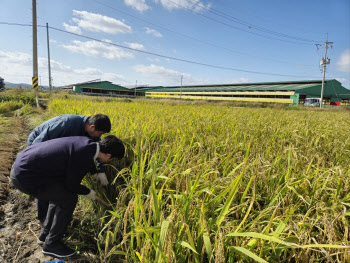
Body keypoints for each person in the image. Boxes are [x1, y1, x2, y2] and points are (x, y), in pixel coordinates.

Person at [10, 135, 125, 258]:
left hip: (23, 166)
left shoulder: (87, 143)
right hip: (26, 176)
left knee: (59, 195)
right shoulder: (83, 155)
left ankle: (46, 235)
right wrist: (89, 192)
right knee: (68, 198)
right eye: (110, 159)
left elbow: (84, 159)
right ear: (108, 155)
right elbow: (72, 186)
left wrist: (95, 173)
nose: (108, 161)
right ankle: (51, 244)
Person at [27, 114, 111, 224]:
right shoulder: (66, 124)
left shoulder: (91, 132)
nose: (99, 136)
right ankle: (43, 219)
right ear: (92, 127)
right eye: (100, 133)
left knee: (58, 183)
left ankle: (55, 216)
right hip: (39, 145)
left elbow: (95, 150)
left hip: (59, 152)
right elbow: (39, 141)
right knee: (46, 183)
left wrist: (99, 171)